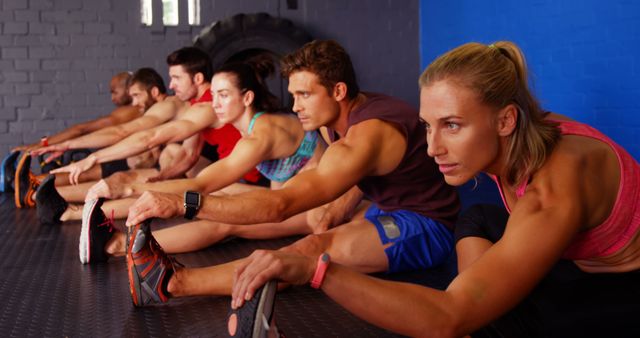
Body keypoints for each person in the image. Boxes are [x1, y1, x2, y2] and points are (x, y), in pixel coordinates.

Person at [229, 41, 640, 337]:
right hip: (569, 251)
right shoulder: (523, 132)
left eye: (453, 126)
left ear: (505, 121)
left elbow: (448, 316)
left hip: (620, 287)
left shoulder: (552, 192)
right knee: (476, 218)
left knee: (494, 316)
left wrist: (316, 270)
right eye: (429, 126)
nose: (432, 147)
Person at [121, 39, 460, 311]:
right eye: (294, 94)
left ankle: (172, 284)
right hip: (385, 206)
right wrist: (341, 204)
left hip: (427, 224)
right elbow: (367, 170)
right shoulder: (338, 120)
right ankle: (134, 255)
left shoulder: (367, 134)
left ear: (338, 91)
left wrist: (184, 203)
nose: (295, 106)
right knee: (308, 232)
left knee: (312, 249)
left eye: (305, 95)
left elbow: (281, 205)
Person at [78, 57, 327, 264]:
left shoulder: (260, 136)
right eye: (214, 96)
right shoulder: (251, 129)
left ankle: (118, 245)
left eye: (224, 95)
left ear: (247, 98)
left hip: (318, 212)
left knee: (222, 220)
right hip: (291, 197)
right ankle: (88, 216)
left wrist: (126, 186)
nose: (215, 104)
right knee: (220, 198)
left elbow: (201, 186)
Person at [12, 67, 175, 209]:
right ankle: (34, 189)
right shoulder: (152, 108)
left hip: (156, 170)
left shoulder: (164, 105)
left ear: (153, 92)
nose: (134, 102)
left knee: (110, 179)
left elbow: (122, 132)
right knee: (96, 175)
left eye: (137, 95)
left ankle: (36, 191)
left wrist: (60, 144)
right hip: (138, 161)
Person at [0, 71, 138, 193]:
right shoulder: (130, 110)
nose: (112, 98)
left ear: (128, 89)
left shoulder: (130, 111)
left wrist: (43, 144)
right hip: (126, 157)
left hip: (131, 161)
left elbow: (81, 129)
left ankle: (26, 183)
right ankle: (26, 183)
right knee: (84, 168)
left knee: (84, 171)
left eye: (114, 91)